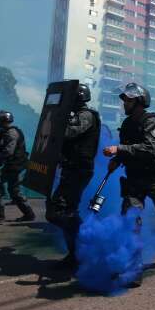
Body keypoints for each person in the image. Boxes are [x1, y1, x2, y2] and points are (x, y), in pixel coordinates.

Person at [103, 83, 155, 286]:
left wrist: (119, 149)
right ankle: (134, 268)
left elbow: (150, 148)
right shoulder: (126, 125)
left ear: (139, 102)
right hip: (133, 178)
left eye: (129, 100)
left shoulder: (150, 121)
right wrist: (117, 160)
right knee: (131, 220)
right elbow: (127, 151)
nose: (124, 103)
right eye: (124, 99)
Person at [45, 83, 100, 270]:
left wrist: (56, 118)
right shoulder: (76, 115)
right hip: (71, 168)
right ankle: (77, 253)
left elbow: (67, 132)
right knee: (64, 210)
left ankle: (84, 241)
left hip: (79, 169)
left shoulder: (86, 115)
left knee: (59, 211)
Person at [0, 110, 35, 222]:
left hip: (13, 166)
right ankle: (29, 214)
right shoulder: (5, 131)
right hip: (14, 165)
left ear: (3, 121)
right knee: (14, 191)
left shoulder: (11, 133)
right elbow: (1, 145)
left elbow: (8, 152)